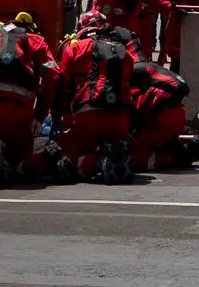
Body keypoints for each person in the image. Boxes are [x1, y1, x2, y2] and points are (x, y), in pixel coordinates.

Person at [0, 15, 59, 187]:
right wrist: (40, 113)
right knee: (24, 160)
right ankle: (26, 162)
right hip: (21, 109)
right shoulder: (37, 41)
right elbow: (53, 75)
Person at [56, 10, 141, 183]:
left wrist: (62, 118)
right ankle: (114, 152)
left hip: (88, 116)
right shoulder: (123, 52)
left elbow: (62, 87)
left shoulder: (75, 49)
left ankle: (96, 161)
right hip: (120, 119)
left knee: (66, 160)